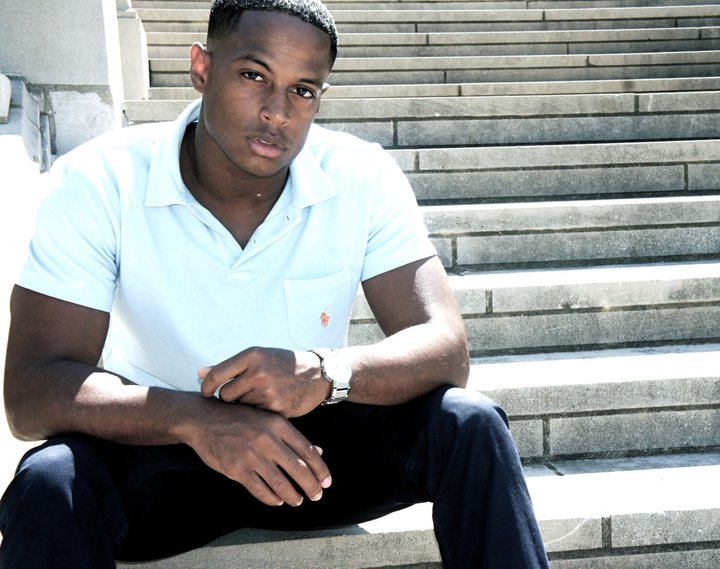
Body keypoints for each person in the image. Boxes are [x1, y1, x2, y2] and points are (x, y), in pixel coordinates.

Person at [0, 0, 550, 567]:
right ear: (201, 68)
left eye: (302, 90)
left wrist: (327, 372)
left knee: (470, 424)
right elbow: (32, 391)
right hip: (159, 449)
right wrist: (195, 418)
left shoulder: (359, 175)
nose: (277, 111)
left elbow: (446, 347)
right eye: (253, 75)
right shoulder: (99, 180)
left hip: (310, 460)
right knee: (50, 478)